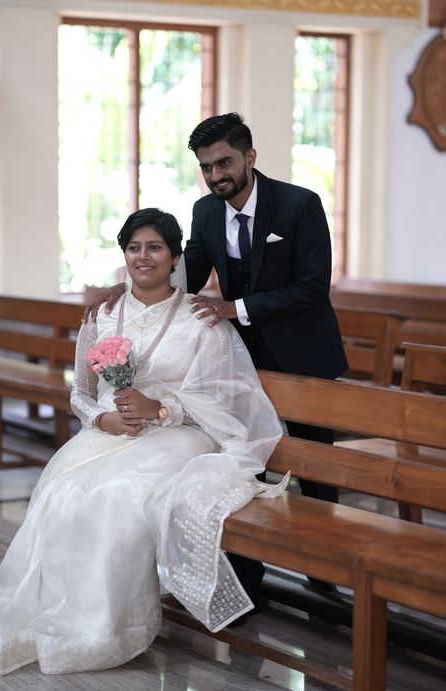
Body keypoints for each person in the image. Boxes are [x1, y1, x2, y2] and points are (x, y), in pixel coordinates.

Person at [0, 207, 286, 676]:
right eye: (134, 248)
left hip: (180, 436)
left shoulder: (202, 320)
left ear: (176, 256)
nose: (144, 257)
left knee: (116, 494)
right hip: (110, 435)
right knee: (62, 493)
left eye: (156, 247)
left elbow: (225, 400)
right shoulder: (102, 314)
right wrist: (102, 419)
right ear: (124, 255)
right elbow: (80, 392)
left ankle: (113, 629)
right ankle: (65, 619)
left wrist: (160, 410)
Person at [86, 113, 348, 606]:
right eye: (206, 167)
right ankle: (250, 574)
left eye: (224, 162)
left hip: (303, 356)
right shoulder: (206, 210)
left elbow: (313, 287)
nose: (215, 175)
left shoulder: (299, 205)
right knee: (243, 457)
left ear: (250, 157)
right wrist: (125, 292)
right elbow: (184, 281)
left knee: (316, 463)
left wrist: (236, 307)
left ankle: (324, 572)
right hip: (240, 359)